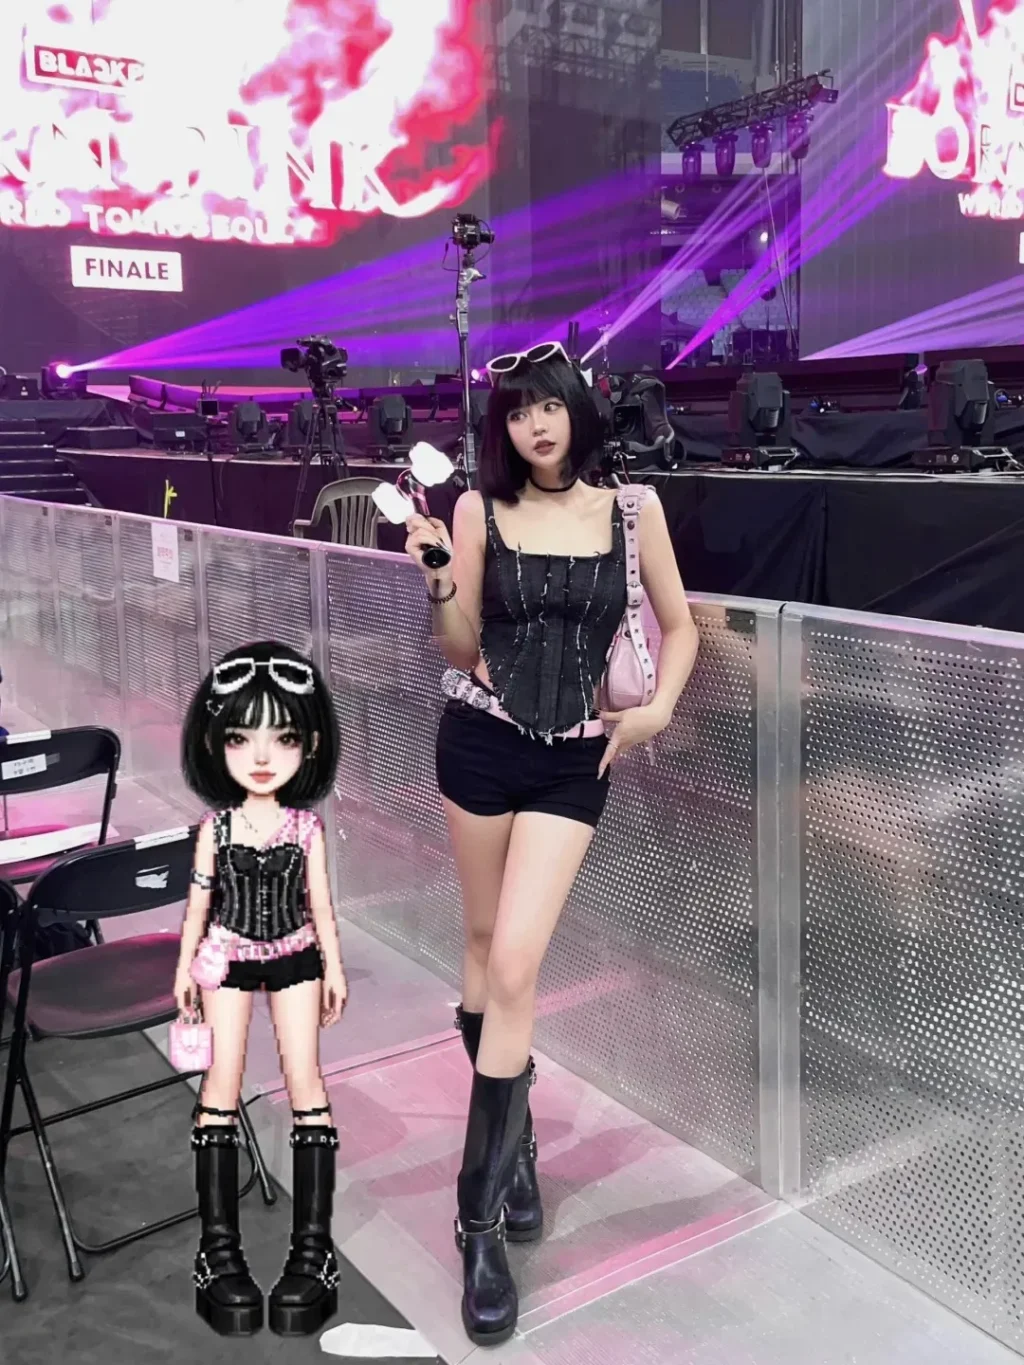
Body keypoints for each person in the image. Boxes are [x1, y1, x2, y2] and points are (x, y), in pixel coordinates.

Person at [404, 343, 699, 1347]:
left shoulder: (632, 510)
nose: (536, 425)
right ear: (503, 426)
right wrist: (438, 581)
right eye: (518, 412)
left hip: (577, 759)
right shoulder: (476, 511)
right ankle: (515, 1145)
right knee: (485, 946)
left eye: (549, 407)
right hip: (480, 741)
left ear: (576, 411)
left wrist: (659, 708)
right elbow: (458, 646)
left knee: (517, 964)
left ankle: (476, 1220)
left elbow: (679, 625)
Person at [174, 641, 347, 1339]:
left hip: (298, 954)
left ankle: (314, 1251)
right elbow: (197, 906)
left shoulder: (307, 828)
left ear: (311, 743)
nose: (264, 756)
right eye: (241, 738)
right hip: (226, 958)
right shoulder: (214, 829)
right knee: (220, 1086)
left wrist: (335, 966)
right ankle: (218, 1254)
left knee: (307, 1084)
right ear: (214, 743)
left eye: (286, 737)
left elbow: (321, 905)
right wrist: (184, 969)